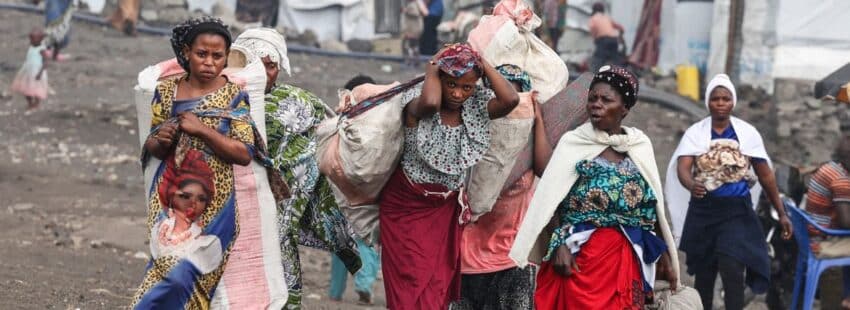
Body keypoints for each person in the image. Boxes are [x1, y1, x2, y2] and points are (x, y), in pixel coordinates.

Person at [132, 17, 287, 308]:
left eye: (217, 56)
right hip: (170, 198)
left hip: (215, 203)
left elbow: (243, 152)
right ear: (186, 53)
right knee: (166, 272)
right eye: (202, 54)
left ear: (226, 58)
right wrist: (161, 139)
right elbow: (152, 146)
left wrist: (201, 129)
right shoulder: (166, 92)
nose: (209, 63)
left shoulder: (234, 95)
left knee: (193, 279)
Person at [510, 65, 680, 310]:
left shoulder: (639, 146)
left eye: (606, 100)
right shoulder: (574, 143)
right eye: (592, 99)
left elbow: (652, 206)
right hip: (578, 259)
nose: (596, 105)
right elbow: (550, 198)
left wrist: (664, 254)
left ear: (625, 108)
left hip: (624, 258)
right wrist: (558, 245)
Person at [379, 43, 519, 309]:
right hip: (407, 208)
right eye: (451, 84)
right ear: (439, 79)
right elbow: (431, 103)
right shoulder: (417, 102)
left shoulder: (475, 109)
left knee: (436, 287)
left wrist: (482, 62)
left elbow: (511, 100)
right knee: (408, 286)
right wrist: (433, 66)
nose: (457, 93)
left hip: (443, 210)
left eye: (467, 87)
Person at [233, 27, 362, 309]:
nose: (263, 73)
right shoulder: (219, 100)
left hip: (279, 216)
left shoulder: (300, 102)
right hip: (230, 214)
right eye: (254, 64)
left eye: (270, 66)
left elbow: (330, 138)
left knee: (280, 288)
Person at [666, 74, 793, 310]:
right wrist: (691, 184)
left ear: (733, 101)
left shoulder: (747, 134)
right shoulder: (696, 134)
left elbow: (766, 175)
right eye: (716, 99)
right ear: (708, 101)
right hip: (704, 211)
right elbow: (683, 167)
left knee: (732, 268)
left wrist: (782, 212)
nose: (721, 103)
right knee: (704, 273)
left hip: (736, 211)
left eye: (726, 99)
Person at [455, 64, 552, 310]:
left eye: (516, 95)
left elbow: (544, 169)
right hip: (467, 260)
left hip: (512, 258)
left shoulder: (529, 145)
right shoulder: (473, 137)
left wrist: (538, 119)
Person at [327, 75, 383, 305]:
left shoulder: (339, 120)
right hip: (368, 192)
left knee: (341, 244)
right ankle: (364, 285)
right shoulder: (380, 122)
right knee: (366, 240)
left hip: (340, 191)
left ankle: (335, 291)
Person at [803, 135, 850, 309]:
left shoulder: (830, 168)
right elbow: (846, 223)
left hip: (813, 234)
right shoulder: (842, 181)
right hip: (824, 241)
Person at [11, 28, 48, 111]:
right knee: (26, 89)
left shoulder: (41, 49)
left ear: (40, 40)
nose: (31, 41)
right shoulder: (31, 47)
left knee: (37, 89)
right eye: (30, 39)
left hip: (37, 72)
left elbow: (46, 61)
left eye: (33, 39)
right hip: (28, 72)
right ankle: (30, 103)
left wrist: (40, 72)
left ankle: (36, 103)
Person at [587, 2, 624, 71]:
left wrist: (595, 38)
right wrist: (621, 34)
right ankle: (620, 72)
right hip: (614, 39)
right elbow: (620, 27)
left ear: (593, 10)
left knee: (599, 58)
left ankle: (595, 74)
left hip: (603, 40)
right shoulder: (607, 18)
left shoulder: (593, 18)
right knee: (615, 58)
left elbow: (592, 28)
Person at [401, 0, 428, 68]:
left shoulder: (416, 3)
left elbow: (416, 13)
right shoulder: (412, 3)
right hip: (411, 28)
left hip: (414, 28)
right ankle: (412, 62)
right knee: (410, 45)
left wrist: (406, 11)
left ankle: (412, 63)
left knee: (411, 46)